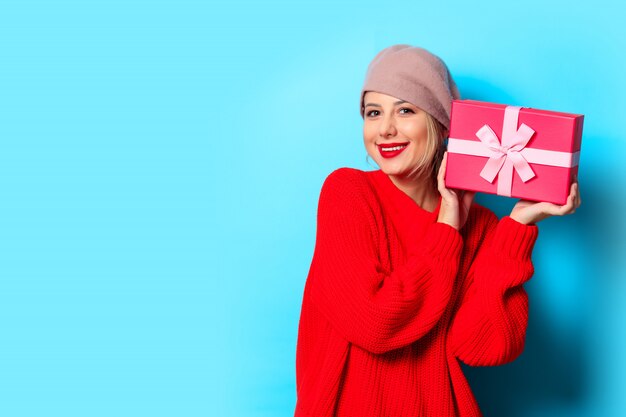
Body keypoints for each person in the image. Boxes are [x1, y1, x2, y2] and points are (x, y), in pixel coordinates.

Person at [293, 44, 581, 417]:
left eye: (406, 110)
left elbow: (484, 346)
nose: (385, 129)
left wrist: (517, 227)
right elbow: (375, 324)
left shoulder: (480, 226)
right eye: (373, 113)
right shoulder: (348, 193)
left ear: (441, 123)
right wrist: (447, 226)